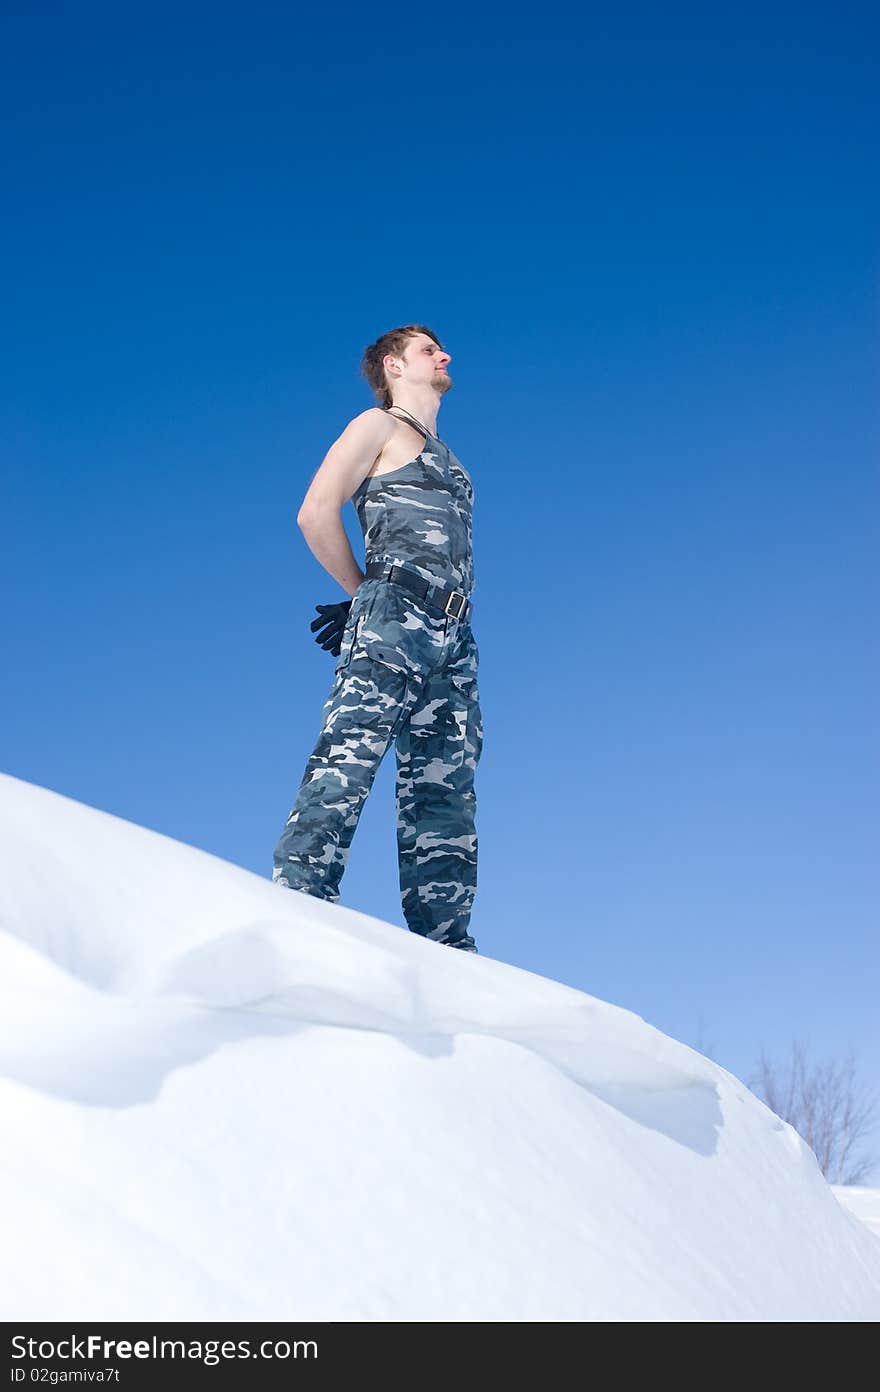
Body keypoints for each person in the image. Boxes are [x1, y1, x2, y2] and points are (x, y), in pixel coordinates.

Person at [272, 324, 483, 952]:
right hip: (394, 612)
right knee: (350, 754)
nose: (444, 356)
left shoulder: (449, 455)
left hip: (455, 633)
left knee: (446, 791)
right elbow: (315, 511)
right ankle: (300, 900)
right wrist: (364, 589)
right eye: (428, 350)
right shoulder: (377, 426)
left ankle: (447, 946)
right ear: (394, 365)